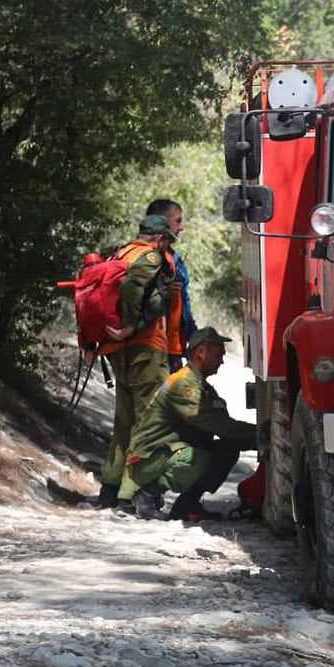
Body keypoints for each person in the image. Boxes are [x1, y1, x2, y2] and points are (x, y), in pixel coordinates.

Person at [117, 326, 257, 521]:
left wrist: (253, 438)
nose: (222, 361)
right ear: (201, 352)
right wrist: (260, 435)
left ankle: (187, 504)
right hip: (148, 458)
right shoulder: (184, 384)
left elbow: (224, 425)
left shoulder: (199, 384)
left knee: (227, 447)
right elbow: (219, 425)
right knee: (197, 459)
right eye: (218, 355)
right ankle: (146, 495)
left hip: (165, 453)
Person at [94, 214, 178, 509]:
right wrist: (131, 325)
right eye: (167, 239)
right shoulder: (150, 257)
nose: (168, 245)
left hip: (120, 352)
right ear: (158, 238)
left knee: (125, 422)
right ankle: (141, 495)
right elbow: (132, 290)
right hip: (146, 348)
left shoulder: (120, 252)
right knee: (151, 422)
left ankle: (110, 490)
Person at [145, 199, 196, 370]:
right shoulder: (141, 259)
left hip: (171, 353)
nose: (181, 227)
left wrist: (194, 339)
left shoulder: (175, 260)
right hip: (148, 353)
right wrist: (162, 293)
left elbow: (184, 306)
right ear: (162, 223)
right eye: (178, 221)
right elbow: (130, 300)